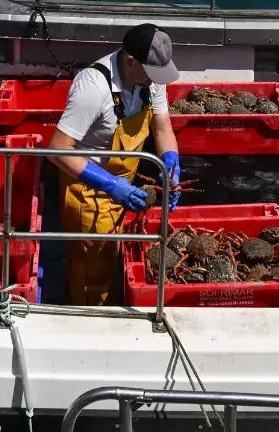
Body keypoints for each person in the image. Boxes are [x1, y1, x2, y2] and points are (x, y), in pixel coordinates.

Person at [48, 23, 182, 306]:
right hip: (86, 188)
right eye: (152, 73)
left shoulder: (151, 79)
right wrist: (109, 184)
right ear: (130, 61)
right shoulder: (92, 88)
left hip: (125, 183)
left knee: (112, 258)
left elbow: (161, 126)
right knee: (91, 268)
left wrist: (171, 162)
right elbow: (57, 150)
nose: (156, 81)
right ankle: (85, 315)